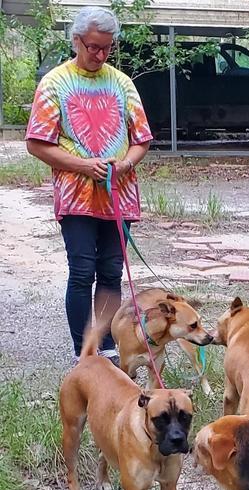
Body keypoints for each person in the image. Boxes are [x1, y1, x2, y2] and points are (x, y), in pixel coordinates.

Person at [26, 6, 152, 365]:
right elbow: (37, 142)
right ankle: (83, 352)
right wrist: (84, 166)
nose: (100, 55)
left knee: (111, 271)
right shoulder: (54, 83)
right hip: (76, 196)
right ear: (76, 41)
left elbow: (141, 138)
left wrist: (126, 162)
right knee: (82, 270)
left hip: (118, 195)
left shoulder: (122, 83)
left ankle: (107, 346)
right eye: (93, 47)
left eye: (107, 48)